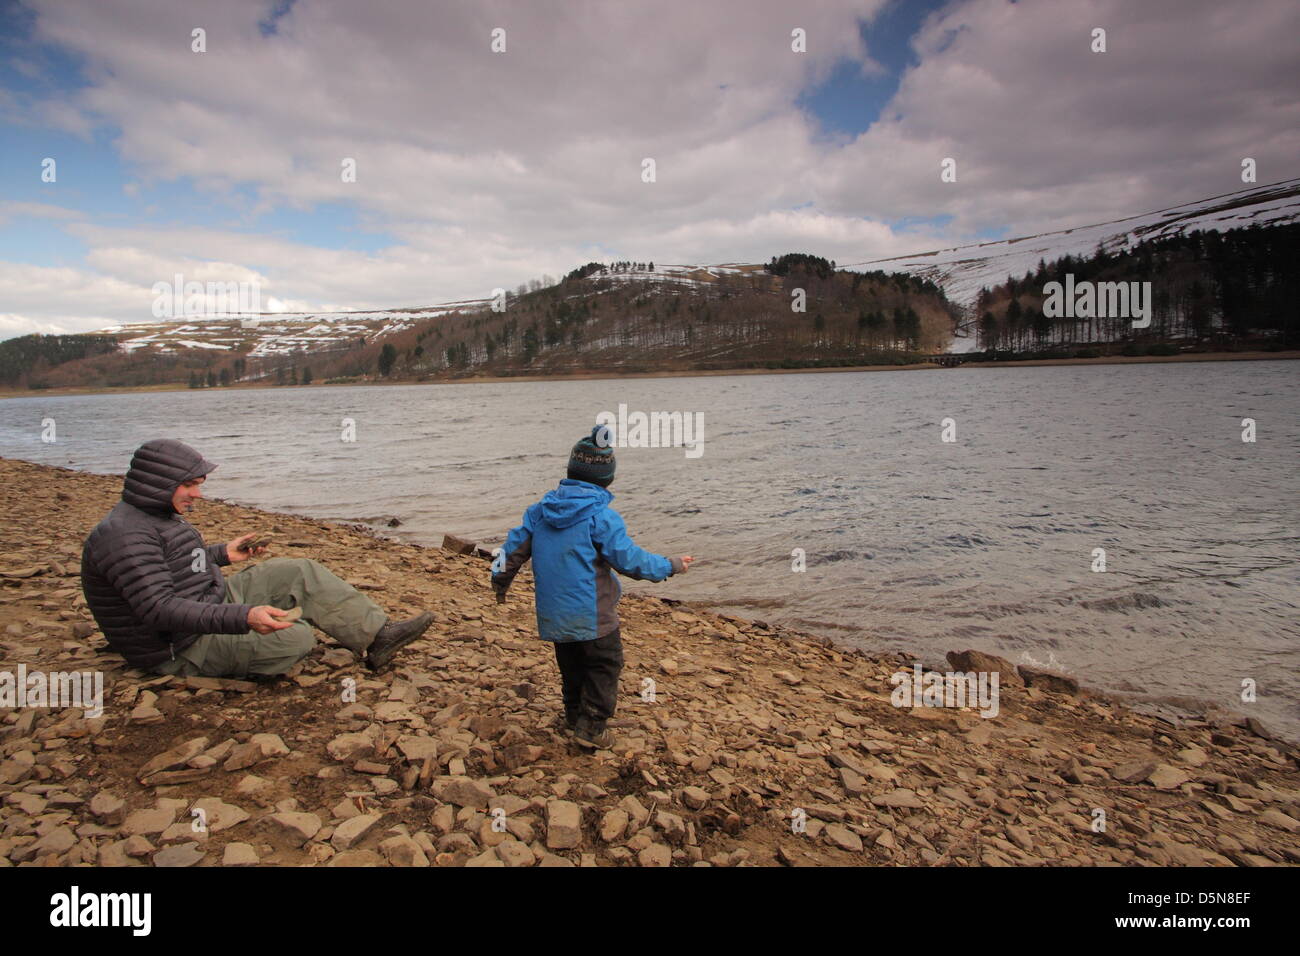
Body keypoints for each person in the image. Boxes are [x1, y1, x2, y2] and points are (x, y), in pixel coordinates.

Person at [81, 438, 432, 679]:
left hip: (205, 604)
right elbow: (159, 608)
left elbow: (169, 566)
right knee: (297, 639)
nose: (198, 495)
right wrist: (244, 616)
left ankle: (378, 636)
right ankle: (272, 636)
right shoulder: (123, 536)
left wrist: (221, 555)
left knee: (298, 570)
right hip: (178, 646)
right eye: (190, 485)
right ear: (159, 482)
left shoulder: (152, 515)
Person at [492, 426, 692, 750]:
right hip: (594, 616)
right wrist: (670, 565)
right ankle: (593, 727)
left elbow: (511, 550)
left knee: (571, 668)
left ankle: (575, 716)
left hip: (554, 615)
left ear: (571, 472)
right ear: (607, 479)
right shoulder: (601, 517)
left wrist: (499, 581)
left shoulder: (539, 511)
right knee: (604, 666)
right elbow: (630, 561)